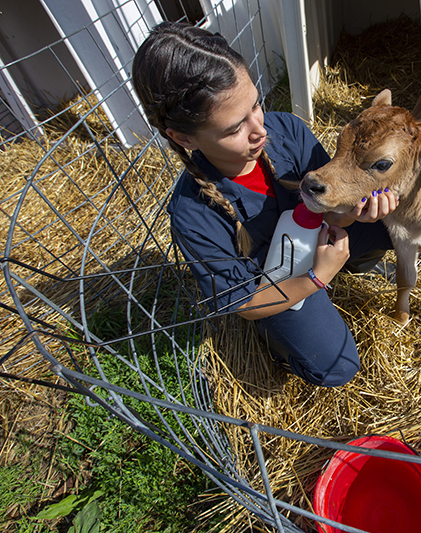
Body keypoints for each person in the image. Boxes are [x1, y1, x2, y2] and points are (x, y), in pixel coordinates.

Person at [132, 22, 398, 387]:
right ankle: (280, 345)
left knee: (390, 223)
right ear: (184, 138)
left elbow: (326, 204)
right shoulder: (193, 214)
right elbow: (244, 304)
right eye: (234, 128)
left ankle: (356, 264)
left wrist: (349, 214)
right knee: (337, 367)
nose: (260, 129)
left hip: (316, 244)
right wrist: (317, 277)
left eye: (256, 104)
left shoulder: (286, 129)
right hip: (275, 282)